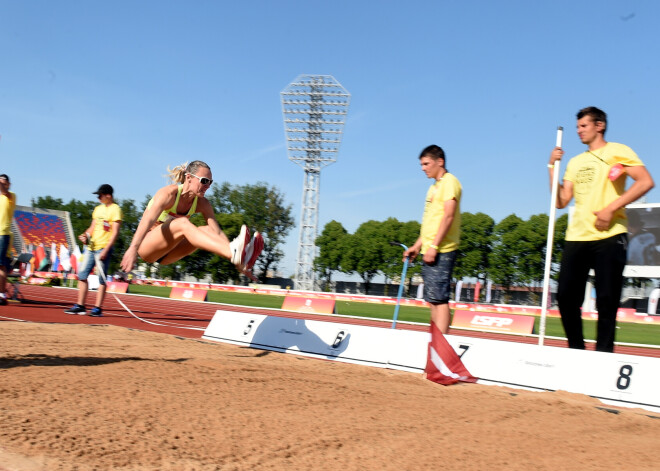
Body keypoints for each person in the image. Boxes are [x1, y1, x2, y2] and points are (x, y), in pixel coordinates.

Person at [548, 106, 654, 352]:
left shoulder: (618, 151)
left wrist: (610, 208)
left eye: (583, 126)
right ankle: (577, 350)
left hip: (610, 235)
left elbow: (646, 181)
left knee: (607, 301)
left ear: (599, 125)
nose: (578, 131)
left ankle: (604, 355)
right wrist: (552, 167)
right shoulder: (575, 161)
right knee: (565, 297)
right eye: (577, 127)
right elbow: (561, 201)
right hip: (577, 236)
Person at [119, 160, 263, 281]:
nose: (208, 186)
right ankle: (235, 253)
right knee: (182, 223)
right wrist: (133, 248)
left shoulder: (203, 204)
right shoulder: (168, 194)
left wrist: (240, 265)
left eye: (210, 182)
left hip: (169, 254)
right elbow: (147, 219)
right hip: (147, 248)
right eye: (204, 181)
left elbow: (217, 233)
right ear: (188, 177)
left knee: (206, 230)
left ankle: (238, 257)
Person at [403, 145, 462, 334]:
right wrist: (416, 246)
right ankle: (434, 344)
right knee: (432, 301)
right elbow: (430, 223)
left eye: (426, 163)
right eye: (421, 164)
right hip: (428, 249)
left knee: (440, 300)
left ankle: (441, 347)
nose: (423, 168)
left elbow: (448, 216)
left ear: (440, 162)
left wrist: (434, 246)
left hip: (442, 250)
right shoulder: (433, 187)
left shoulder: (450, 182)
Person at [64, 184, 123, 316]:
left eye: (100, 195)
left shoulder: (116, 210)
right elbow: (92, 227)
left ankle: (97, 308)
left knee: (101, 279)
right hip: (91, 247)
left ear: (108, 195)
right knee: (82, 275)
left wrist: (106, 250)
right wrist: (85, 236)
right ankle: (80, 305)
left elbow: (115, 233)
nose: (98, 198)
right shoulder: (98, 209)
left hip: (103, 248)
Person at [0, 174, 17, 305]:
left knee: (1, 265)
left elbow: (5, 192)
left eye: (4, 182)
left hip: (3, 233)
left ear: (8, 184)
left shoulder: (11, 196)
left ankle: (1, 294)